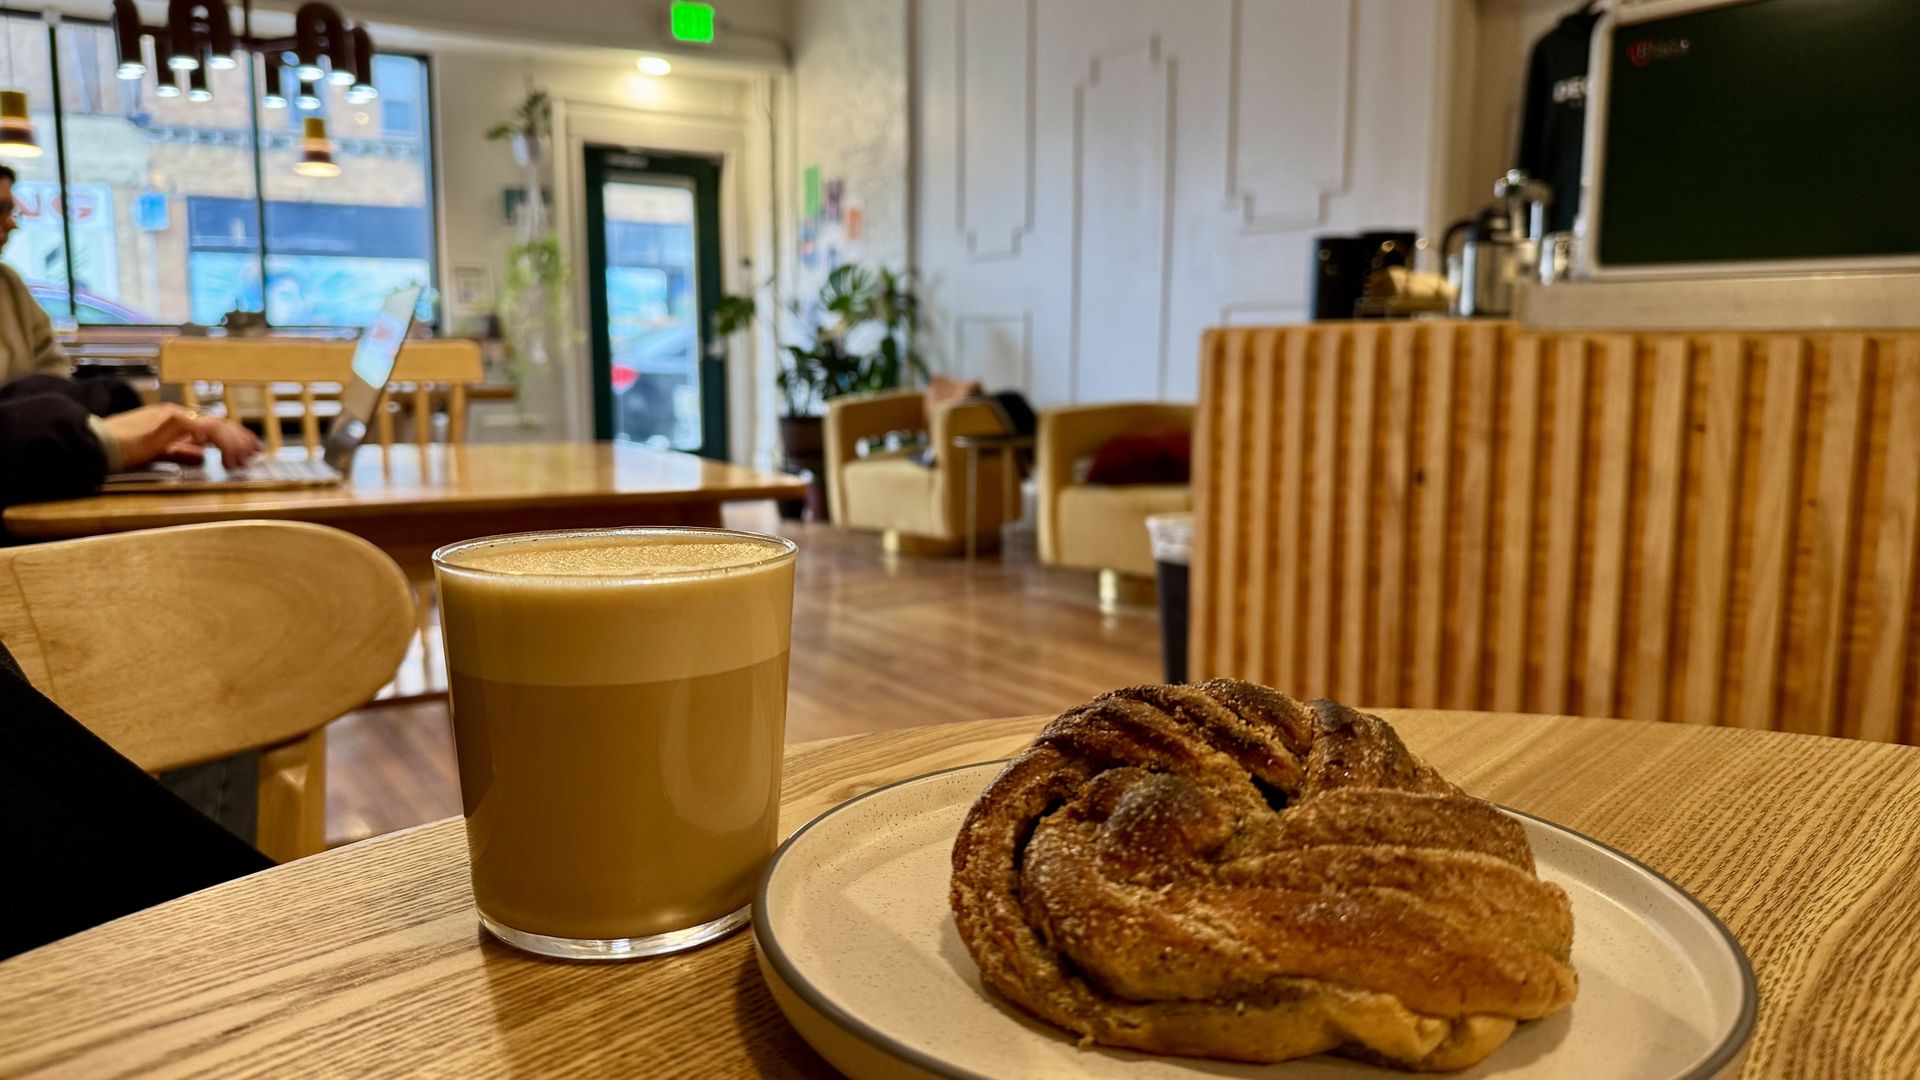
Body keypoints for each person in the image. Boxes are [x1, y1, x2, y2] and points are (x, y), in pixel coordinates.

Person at [0, 164, 260, 507]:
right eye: (3, 209)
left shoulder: (9, 285)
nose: (13, 223)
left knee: (110, 394)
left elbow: (47, 382)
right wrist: (104, 440)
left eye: (12, 210)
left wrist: (121, 433)